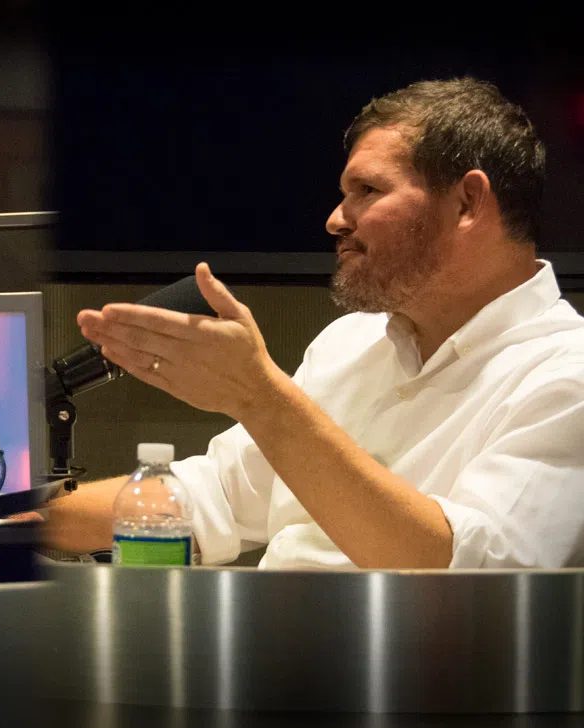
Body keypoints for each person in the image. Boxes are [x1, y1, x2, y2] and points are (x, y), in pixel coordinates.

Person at [41, 77, 584, 570]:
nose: (335, 219)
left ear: (466, 202)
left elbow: (476, 578)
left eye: (367, 191)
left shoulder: (566, 373)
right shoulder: (350, 342)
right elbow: (216, 495)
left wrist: (260, 399)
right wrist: (17, 521)